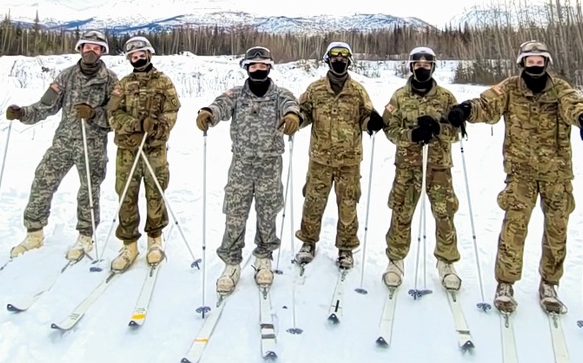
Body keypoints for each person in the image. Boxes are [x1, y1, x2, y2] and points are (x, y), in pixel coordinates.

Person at [448, 40, 583, 314]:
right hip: (520, 172)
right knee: (514, 228)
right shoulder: (509, 87)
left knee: (557, 229)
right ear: (521, 63)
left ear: (546, 62)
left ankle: (550, 283)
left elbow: (574, 106)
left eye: (539, 60)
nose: (535, 64)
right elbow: (487, 104)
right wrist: (466, 110)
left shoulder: (560, 88)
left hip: (557, 173)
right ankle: (505, 283)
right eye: (529, 60)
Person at [196, 46, 300, 294]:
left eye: (263, 65)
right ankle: (232, 262)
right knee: (235, 212)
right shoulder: (236, 94)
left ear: (270, 67)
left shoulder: (280, 95)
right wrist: (208, 112)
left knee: (268, 212)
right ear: (246, 68)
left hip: (270, 164)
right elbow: (220, 104)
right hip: (242, 164)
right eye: (253, 66)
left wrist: (293, 116)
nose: (258, 70)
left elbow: (292, 106)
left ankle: (264, 257)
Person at [7, 30, 118, 261]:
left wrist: (94, 114)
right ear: (80, 48)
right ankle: (34, 233)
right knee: (42, 179)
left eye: (96, 48)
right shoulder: (66, 77)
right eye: (87, 46)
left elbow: (115, 117)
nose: (91, 51)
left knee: (89, 190)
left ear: (102, 52)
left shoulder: (110, 80)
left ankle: (86, 235)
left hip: (93, 144)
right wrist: (22, 113)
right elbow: (45, 106)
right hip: (64, 142)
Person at [381, 46, 463, 291]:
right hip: (408, 166)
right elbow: (389, 128)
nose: (422, 67)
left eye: (427, 64)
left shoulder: (446, 98)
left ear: (433, 67)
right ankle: (395, 260)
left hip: (438, 166)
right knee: (401, 212)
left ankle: (446, 262)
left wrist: (439, 129)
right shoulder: (398, 97)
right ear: (411, 66)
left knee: (444, 214)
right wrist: (412, 134)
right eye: (417, 63)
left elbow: (457, 132)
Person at [294, 41, 381, 270]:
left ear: (349, 61)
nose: (339, 60)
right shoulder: (315, 89)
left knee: (348, 204)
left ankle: (346, 248)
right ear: (327, 59)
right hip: (320, 159)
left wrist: (371, 122)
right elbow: (303, 112)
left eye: (344, 56)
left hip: (349, 161)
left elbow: (366, 115)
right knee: (313, 201)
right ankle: (308, 242)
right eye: (335, 56)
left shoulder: (358, 91)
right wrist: (295, 121)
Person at [107, 35, 180, 272]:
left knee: (155, 192)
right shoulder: (123, 84)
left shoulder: (163, 82)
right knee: (126, 194)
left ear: (149, 54)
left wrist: (157, 127)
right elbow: (113, 114)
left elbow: (172, 111)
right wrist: (135, 125)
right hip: (127, 149)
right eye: (133, 56)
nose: (137, 59)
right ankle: (129, 244)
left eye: (141, 55)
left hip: (154, 150)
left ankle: (155, 239)